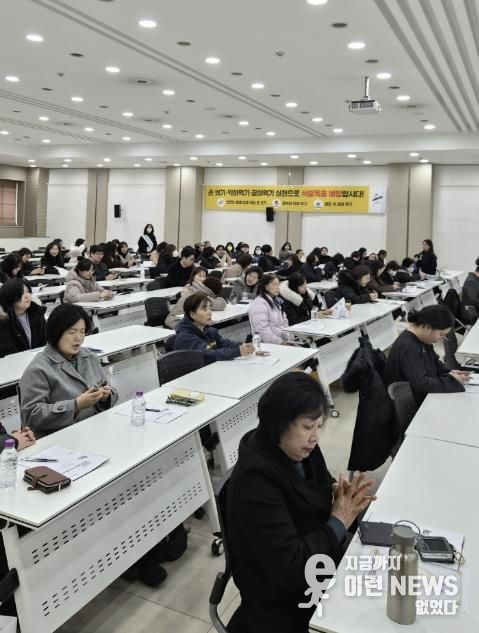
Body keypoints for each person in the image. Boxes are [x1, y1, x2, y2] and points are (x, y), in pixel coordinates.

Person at [226, 372, 376, 633]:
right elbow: (291, 569)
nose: (315, 436)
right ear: (279, 423)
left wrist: (343, 497)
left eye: (320, 426)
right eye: (308, 427)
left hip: (316, 559)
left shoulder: (299, 448)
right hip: (281, 599)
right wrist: (339, 520)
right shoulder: (255, 480)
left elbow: (323, 486)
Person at [20, 303, 118, 438]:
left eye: (82, 331)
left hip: (90, 431)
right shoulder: (38, 369)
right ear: (56, 333)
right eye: (72, 332)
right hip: (57, 439)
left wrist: (105, 396)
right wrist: (75, 405)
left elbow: (110, 390)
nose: (78, 338)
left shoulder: (89, 357)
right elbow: (31, 415)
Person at [384, 305, 469, 406]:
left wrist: (450, 372)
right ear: (428, 327)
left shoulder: (423, 338)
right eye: (441, 334)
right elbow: (422, 384)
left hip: (423, 396)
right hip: (412, 403)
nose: (440, 339)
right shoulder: (408, 347)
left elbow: (434, 362)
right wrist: (453, 383)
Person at [172, 293, 253, 363]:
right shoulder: (185, 337)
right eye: (204, 309)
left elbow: (225, 343)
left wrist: (243, 346)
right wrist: (237, 352)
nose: (209, 312)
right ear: (192, 314)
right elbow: (207, 355)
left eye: (210, 308)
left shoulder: (209, 330)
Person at [0, 279, 46, 357]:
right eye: (21, 293)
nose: (27, 296)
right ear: (10, 297)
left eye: (27, 291)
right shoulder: (3, 320)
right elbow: (7, 351)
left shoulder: (37, 312)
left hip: (37, 359)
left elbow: (45, 340)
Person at [248, 274, 289, 344]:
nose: (278, 287)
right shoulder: (259, 304)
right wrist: (280, 342)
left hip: (281, 341)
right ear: (266, 286)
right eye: (274, 284)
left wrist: (288, 338)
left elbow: (284, 323)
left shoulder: (277, 301)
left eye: (278, 284)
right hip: (267, 345)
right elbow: (262, 331)